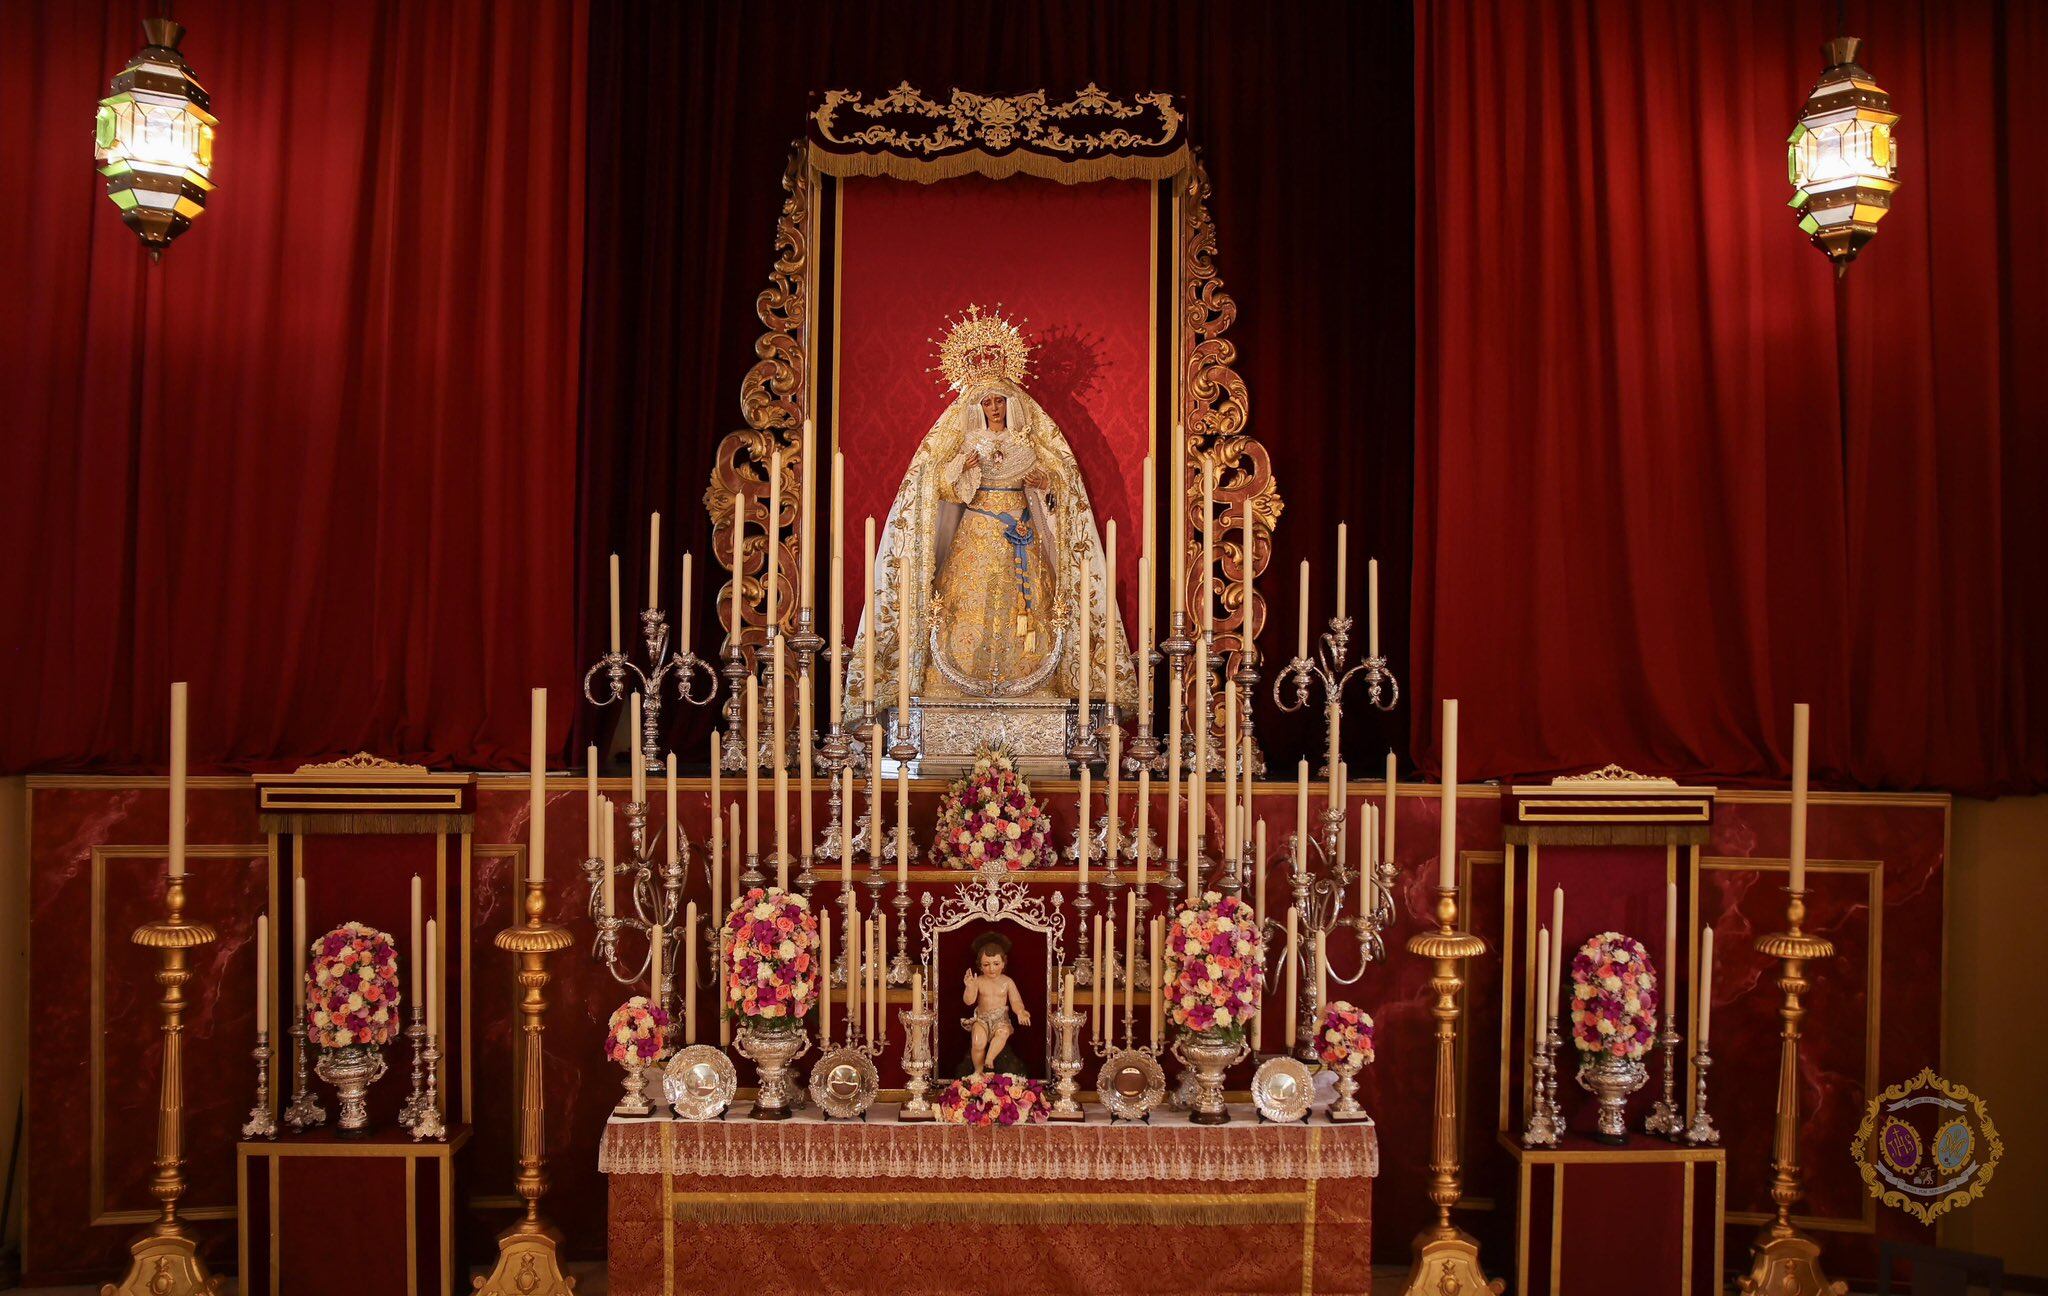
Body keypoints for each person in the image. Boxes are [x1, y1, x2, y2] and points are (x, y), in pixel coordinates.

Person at [959, 931, 1030, 1077]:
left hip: (1000, 1020)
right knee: (978, 1042)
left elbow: (1016, 1001)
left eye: (996, 964)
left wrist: (1020, 1012)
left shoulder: (1007, 982)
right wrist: (970, 987)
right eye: (986, 964)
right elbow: (969, 1001)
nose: (992, 968)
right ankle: (978, 1070)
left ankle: (989, 1058)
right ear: (980, 966)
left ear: (1003, 963)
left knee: (1002, 1033)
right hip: (982, 1019)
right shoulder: (978, 981)